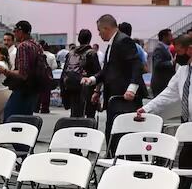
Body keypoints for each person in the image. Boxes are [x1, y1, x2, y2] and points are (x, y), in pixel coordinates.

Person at [83, 14, 146, 147]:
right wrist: (93, 80)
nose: (99, 34)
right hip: (113, 98)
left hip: (124, 98)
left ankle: (122, 160)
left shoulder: (123, 41)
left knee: (123, 134)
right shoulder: (112, 44)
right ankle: (112, 157)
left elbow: (136, 65)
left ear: (106, 28)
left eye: (99, 31)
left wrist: (132, 89)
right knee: (112, 131)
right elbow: (107, 70)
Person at [140, 32, 192, 189]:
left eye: (179, 52)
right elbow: (168, 93)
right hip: (187, 123)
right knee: (185, 159)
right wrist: (147, 108)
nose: (176, 56)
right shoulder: (183, 70)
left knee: (186, 159)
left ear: (189, 50)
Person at [0, 20, 44, 120]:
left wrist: (5, 71)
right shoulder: (37, 45)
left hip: (23, 89)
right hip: (34, 88)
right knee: (26, 120)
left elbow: (23, 74)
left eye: (15, 31)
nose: (15, 34)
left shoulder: (23, 46)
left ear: (20, 31)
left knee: (10, 118)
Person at [61, 30, 101, 119]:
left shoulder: (71, 53)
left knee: (75, 114)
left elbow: (64, 73)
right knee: (89, 116)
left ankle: (74, 130)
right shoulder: (92, 53)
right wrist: (97, 91)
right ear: (89, 39)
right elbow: (98, 73)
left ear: (79, 39)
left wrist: (63, 92)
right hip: (87, 88)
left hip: (72, 87)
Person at [152, 28, 176, 98]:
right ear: (164, 37)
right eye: (170, 36)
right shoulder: (159, 49)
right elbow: (158, 64)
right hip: (160, 84)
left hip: (165, 82)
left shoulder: (166, 48)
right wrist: (172, 62)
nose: (172, 38)